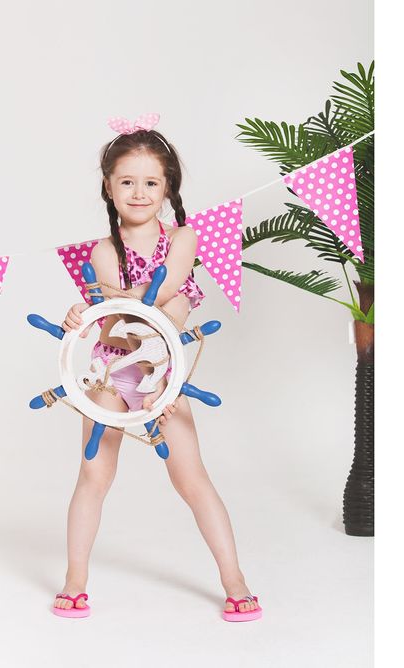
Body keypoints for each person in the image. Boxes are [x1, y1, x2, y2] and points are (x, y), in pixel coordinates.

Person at [53, 115, 261, 621]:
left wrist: (117, 305)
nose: (139, 193)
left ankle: (234, 579)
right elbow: (117, 323)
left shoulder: (182, 239)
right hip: (111, 372)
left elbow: (164, 296)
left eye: (150, 182)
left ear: (168, 187)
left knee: (193, 480)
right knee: (93, 476)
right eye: (127, 182)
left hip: (163, 376)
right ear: (108, 187)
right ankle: (75, 580)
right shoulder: (104, 251)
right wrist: (84, 314)